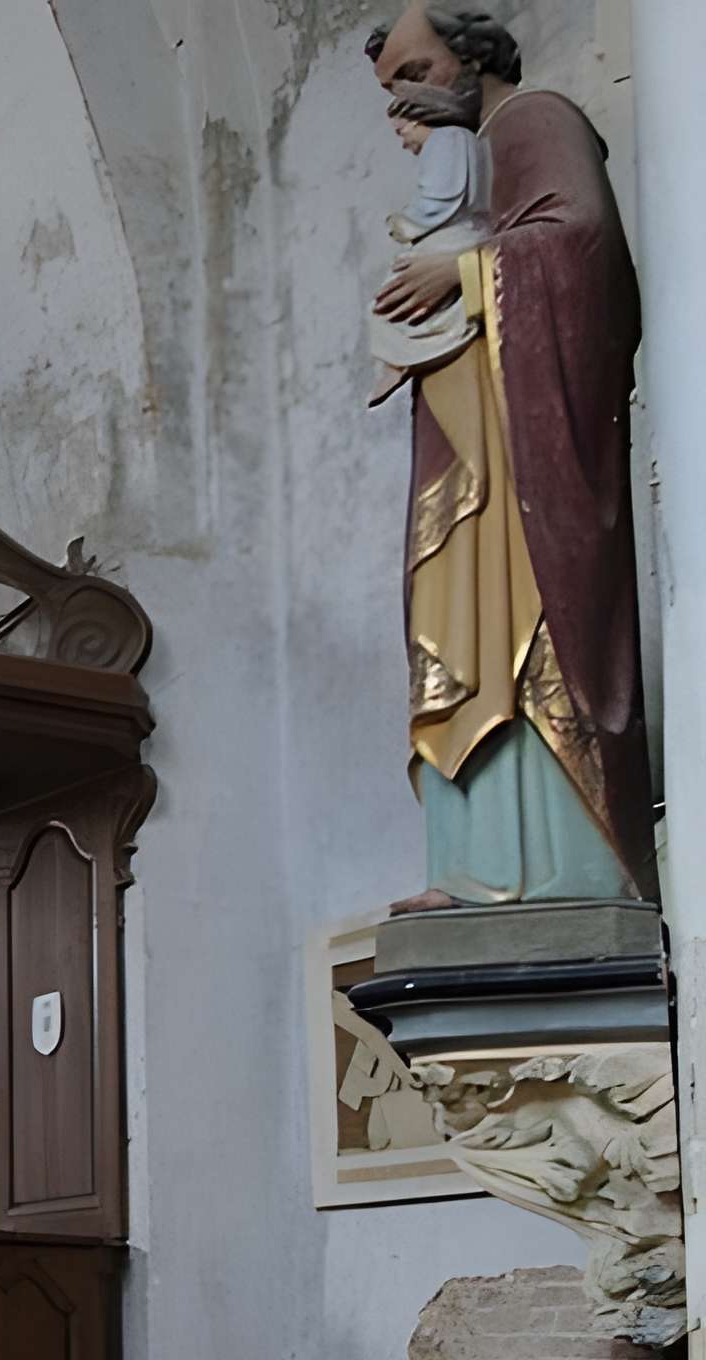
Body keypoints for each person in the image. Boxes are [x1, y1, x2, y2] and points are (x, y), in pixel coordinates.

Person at [367, 8, 648, 909]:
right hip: (470, 443)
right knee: (458, 628)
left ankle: (564, 874)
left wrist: (466, 274)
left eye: (417, 67)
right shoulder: (467, 160)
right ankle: (472, 866)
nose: (404, 95)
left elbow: (583, 244)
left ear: (471, 56)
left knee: (517, 625)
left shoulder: (534, 121)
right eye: (391, 86)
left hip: (529, 455)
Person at [366, 78, 488, 402]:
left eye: (402, 131)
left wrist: (405, 223)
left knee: (387, 298)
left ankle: (399, 361)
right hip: (474, 231)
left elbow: (441, 197)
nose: (404, 142)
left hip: (456, 233)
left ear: (420, 119)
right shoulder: (470, 140)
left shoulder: (446, 140)